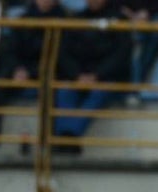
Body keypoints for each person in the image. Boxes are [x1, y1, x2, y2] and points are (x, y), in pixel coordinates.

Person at [0, 0, 66, 152]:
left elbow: (59, 56)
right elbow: (10, 50)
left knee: (52, 91)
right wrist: (17, 69)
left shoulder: (65, 21)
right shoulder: (23, 19)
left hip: (46, 72)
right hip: (19, 70)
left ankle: (48, 142)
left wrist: (31, 71)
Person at [52, 0, 132, 154]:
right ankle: (66, 139)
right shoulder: (76, 19)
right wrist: (77, 75)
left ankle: (67, 137)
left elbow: (121, 55)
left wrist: (97, 75)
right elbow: (64, 53)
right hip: (78, 77)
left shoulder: (119, 20)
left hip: (107, 78)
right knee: (63, 91)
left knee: (98, 92)